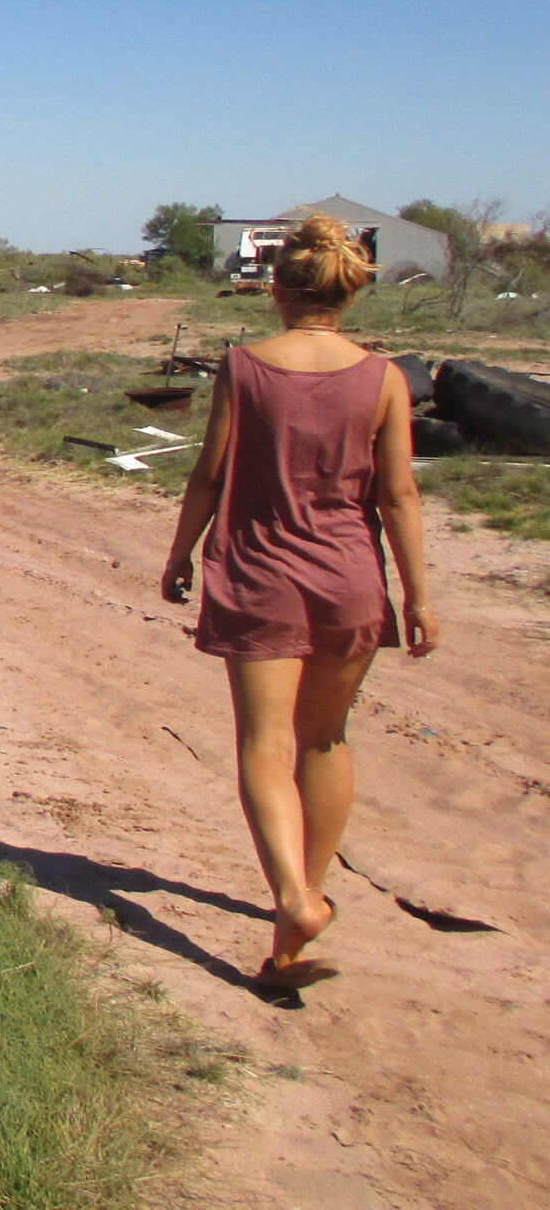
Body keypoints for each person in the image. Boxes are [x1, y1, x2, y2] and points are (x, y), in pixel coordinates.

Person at [160, 213, 439, 992]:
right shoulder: (383, 377)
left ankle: (293, 897)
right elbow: (399, 495)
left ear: (276, 288)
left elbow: (209, 476)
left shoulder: (244, 368)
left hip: (261, 577)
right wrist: (417, 597)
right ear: (347, 294)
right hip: (351, 579)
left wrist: (181, 551)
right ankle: (296, 926)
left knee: (264, 745)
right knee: (325, 741)